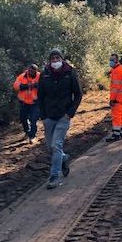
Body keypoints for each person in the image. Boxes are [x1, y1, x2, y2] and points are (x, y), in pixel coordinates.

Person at [37, 48, 83, 189]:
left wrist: (70, 113)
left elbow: (78, 94)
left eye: (57, 58)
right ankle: (63, 158)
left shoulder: (70, 73)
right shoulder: (44, 74)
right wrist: (43, 116)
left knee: (56, 145)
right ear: (49, 61)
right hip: (49, 117)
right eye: (53, 59)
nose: (55, 61)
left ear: (62, 59)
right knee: (51, 148)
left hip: (63, 116)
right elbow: (40, 96)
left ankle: (54, 177)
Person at [12, 64, 40, 143]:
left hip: (35, 103)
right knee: (23, 119)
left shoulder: (39, 76)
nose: (30, 72)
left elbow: (44, 85)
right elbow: (15, 86)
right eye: (29, 71)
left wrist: (36, 85)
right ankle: (27, 132)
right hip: (24, 102)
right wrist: (26, 86)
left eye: (33, 71)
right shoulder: (22, 76)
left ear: (36, 71)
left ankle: (32, 136)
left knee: (33, 120)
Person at [106, 53, 122, 143]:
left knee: (116, 117)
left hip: (117, 98)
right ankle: (121, 133)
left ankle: (116, 135)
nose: (110, 61)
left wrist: (112, 99)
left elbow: (115, 87)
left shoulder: (116, 71)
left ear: (116, 60)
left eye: (112, 60)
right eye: (110, 59)